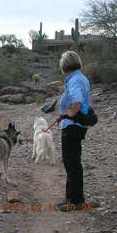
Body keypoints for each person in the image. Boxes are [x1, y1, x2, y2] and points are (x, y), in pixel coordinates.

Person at [57, 51, 91, 212]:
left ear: (65, 65)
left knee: (71, 163)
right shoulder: (81, 78)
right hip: (77, 127)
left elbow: (77, 100)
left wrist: (70, 112)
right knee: (73, 162)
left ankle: (76, 201)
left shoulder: (74, 80)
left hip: (72, 126)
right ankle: (71, 197)